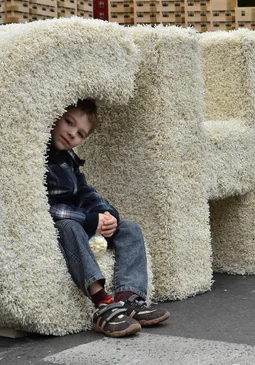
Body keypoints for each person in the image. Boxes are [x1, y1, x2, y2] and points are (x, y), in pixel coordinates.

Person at [46, 99, 169, 338]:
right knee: (69, 226)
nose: (72, 134)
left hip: (83, 220)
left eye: (80, 133)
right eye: (68, 123)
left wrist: (107, 214)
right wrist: (89, 220)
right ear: (55, 117)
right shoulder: (39, 155)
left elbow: (84, 191)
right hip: (62, 226)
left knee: (129, 228)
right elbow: (44, 205)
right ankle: (102, 303)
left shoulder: (69, 158)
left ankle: (129, 298)